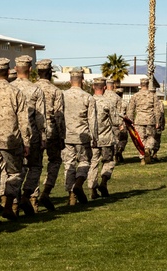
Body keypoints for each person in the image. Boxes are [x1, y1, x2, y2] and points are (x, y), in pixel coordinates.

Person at [0, 57, 31, 222]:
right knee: (14, 174)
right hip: (12, 141)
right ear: (9, 71)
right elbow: (24, 121)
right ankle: (9, 204)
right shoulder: (15, 92)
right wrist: (27, 143)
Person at [14, 55, 46, 214]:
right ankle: (27, 195)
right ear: (30, 70)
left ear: (15, 69)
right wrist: (43, 137)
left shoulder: (10, 88)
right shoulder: (35, 90)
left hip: (13, 136)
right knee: (35, 167)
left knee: (14, 170)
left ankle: (13, 201)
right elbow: (40, 118)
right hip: (32, 135)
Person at [35, 58, 66, 209]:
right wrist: (62, 136)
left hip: (35, 130)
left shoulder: (31, 89)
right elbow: (59, 116)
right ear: (49, 73)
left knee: (35, 165)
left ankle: (32, 198)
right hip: (52, 130)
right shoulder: (56, 91)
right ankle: (46, 192)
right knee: (54, 162)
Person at [60, 67, 92, 205]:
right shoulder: (87, 97)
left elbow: (58, 116)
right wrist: (94, 136)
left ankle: (71, 196)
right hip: (82, 136)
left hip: (67, 136)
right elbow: (92, 119)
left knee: (69, 165)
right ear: (83, 81)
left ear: (69, 81)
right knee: (84, 162)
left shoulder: (62, 95)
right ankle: (79, 183)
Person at [87, 73, 117, 198]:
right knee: (108, 161)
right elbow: (115, 120)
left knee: (93, 163)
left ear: (94, 87)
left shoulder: (88, 100)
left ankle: (92, 189)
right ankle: (104, 182)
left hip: (92, 138)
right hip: (106, 139)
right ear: (104, 87)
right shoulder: (108, 102)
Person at [126, 79, 164, 162]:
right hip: (150, 120)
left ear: (140, 84)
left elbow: (130, 110)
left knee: (141, 139)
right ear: (148, 84)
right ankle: (148, 148)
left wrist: (130, 121)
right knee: (151, 137)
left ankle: (142, 158)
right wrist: (158, 121)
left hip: (139, 120)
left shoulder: (135, 96)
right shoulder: (153, 95)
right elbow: (157, 110)